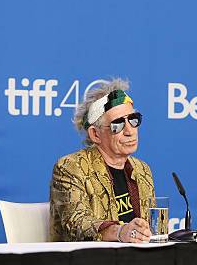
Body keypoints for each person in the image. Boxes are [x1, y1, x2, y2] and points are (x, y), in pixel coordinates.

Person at [49, 79, 155, 242]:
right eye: (117, 125)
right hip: (87, 263)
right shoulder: (70, 167)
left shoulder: (142, 170)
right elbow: (77, 224)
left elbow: (149, 228)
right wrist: (121, 232)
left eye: (133, 120)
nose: (129, 131)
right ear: (95, 134)